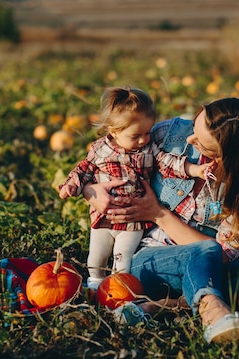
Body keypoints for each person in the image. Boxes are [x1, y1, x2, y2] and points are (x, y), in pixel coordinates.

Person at [82, 97, 239, 343]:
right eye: (195, 128)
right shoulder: (169, 134)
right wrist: (91, 192)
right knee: (208, 250)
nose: (190, 140)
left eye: (201, 143)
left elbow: (224, 255)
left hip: (207, 265)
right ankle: (212, 311)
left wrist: (159, 214)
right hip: (147, 262)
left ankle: (171, 304)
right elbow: (106, 154)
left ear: (227, 155)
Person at [59, 86, 215, 291]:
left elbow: (169, 163)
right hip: (104, 217)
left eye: (147, 133)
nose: (143, 140)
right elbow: (83, 170)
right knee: (96, 256)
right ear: (114, 131)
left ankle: (117, 289)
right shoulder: (100, 150)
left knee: (123, 261)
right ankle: (95, 285)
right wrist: (72, 185)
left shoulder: (149, 150)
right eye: (135, 136)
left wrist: (195, 170)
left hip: (135, 220)